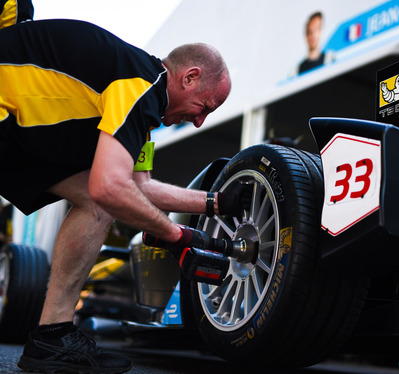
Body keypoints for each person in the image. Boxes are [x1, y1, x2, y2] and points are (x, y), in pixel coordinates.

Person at [0, 18, 241, 374]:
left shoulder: (143, 111)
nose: (199, 122)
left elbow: (140, 186)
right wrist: (177, 235)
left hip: (15, 128)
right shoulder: (142, 83)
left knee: (95, 205)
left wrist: (216, 203)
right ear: (188, 78)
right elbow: (109, 186)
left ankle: (52, 337)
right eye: (205, 107)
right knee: (101, 196)